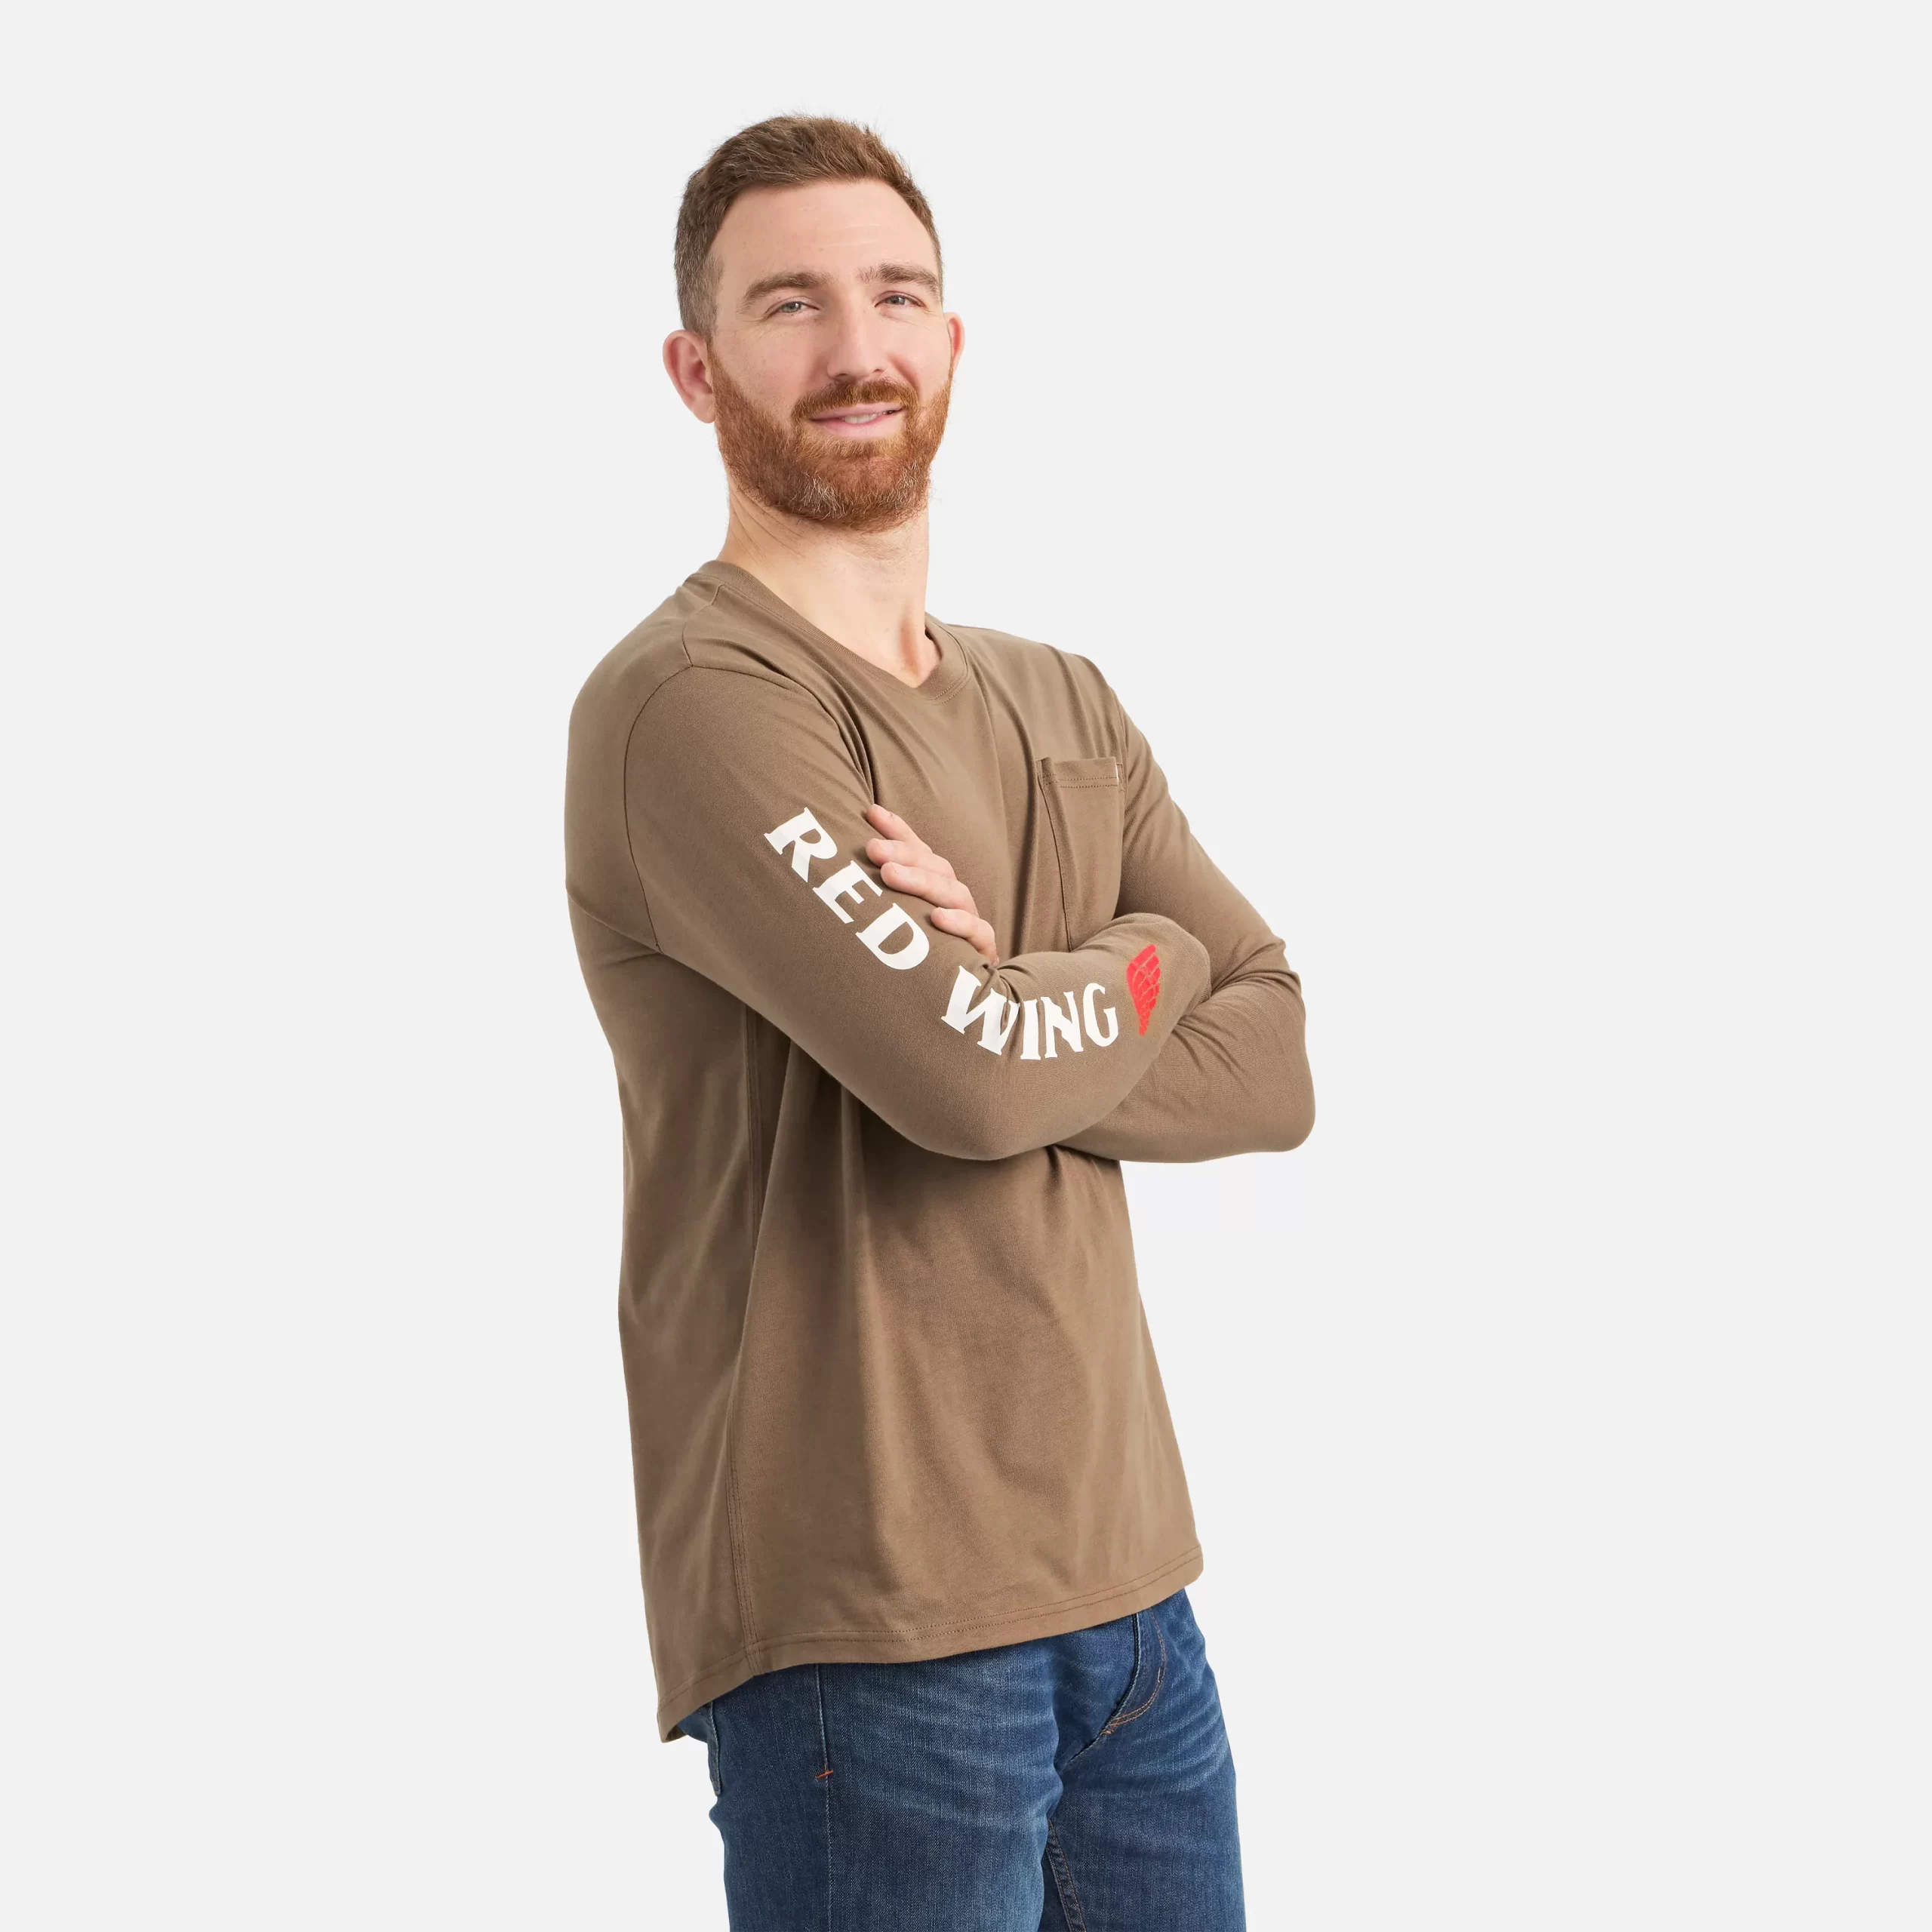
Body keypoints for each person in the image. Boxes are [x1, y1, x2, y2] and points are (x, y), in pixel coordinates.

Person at [563, 114, 1315, 1931]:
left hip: (1133, 1599)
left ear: (952, 342)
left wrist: (1035, 977)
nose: (856, 348)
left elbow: (1277, 1052)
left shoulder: (1062, 697)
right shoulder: (694, 705)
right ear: (696, 369)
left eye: (896, 296)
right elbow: (966, 1079)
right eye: (789, 305)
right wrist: (1137, 960)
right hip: (871, 1628)